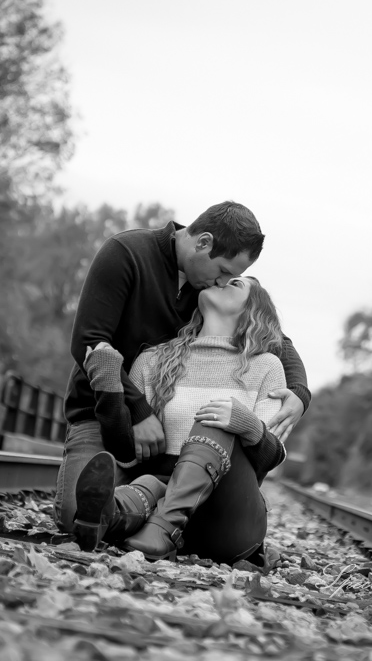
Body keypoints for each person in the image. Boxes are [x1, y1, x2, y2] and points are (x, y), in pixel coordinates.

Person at [54, 201, 311, 534]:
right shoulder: (126, 253)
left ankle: (155, 523)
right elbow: (88, 340)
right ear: (202, 243)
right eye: (223, 272)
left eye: (233, 279)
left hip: (162, 437)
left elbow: (274, 335)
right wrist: (138, 410)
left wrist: (300, 393)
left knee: (157, 497)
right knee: (78, 514)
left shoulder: (207, 292)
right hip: (101, 415)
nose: (222, 282)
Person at [73, 275, 288, 563]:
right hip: (157, 508)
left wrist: (246, 423)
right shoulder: (153, 361)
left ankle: (160, 528)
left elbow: (271, 458)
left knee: (215, 418)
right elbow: (125, 454)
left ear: (253, 310)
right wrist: (109, 386)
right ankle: (108, 515)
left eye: (236, 284)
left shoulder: (266, 367)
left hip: (228, 520)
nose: (222, 281)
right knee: (149, 484)